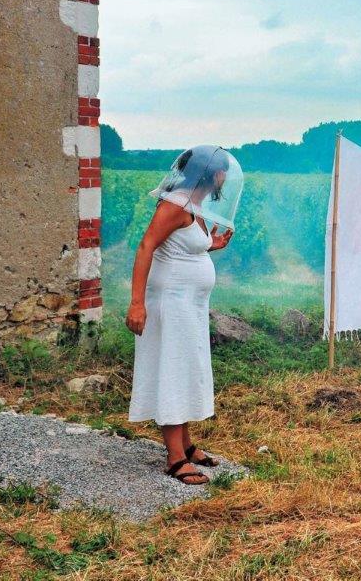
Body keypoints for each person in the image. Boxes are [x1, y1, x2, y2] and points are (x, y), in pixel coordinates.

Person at [125, 146, 242, 485]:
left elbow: (182, 246)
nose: (224, 178)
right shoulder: (175, 204)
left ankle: (186, 445)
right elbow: (146, 246)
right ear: (214, 174)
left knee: (185, 368)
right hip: (171, 304)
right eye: (222, 172)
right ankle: (175, 458)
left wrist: (209, 245)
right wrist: (137, 303)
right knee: (173, 370)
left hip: (188, 305)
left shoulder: (195, 205)